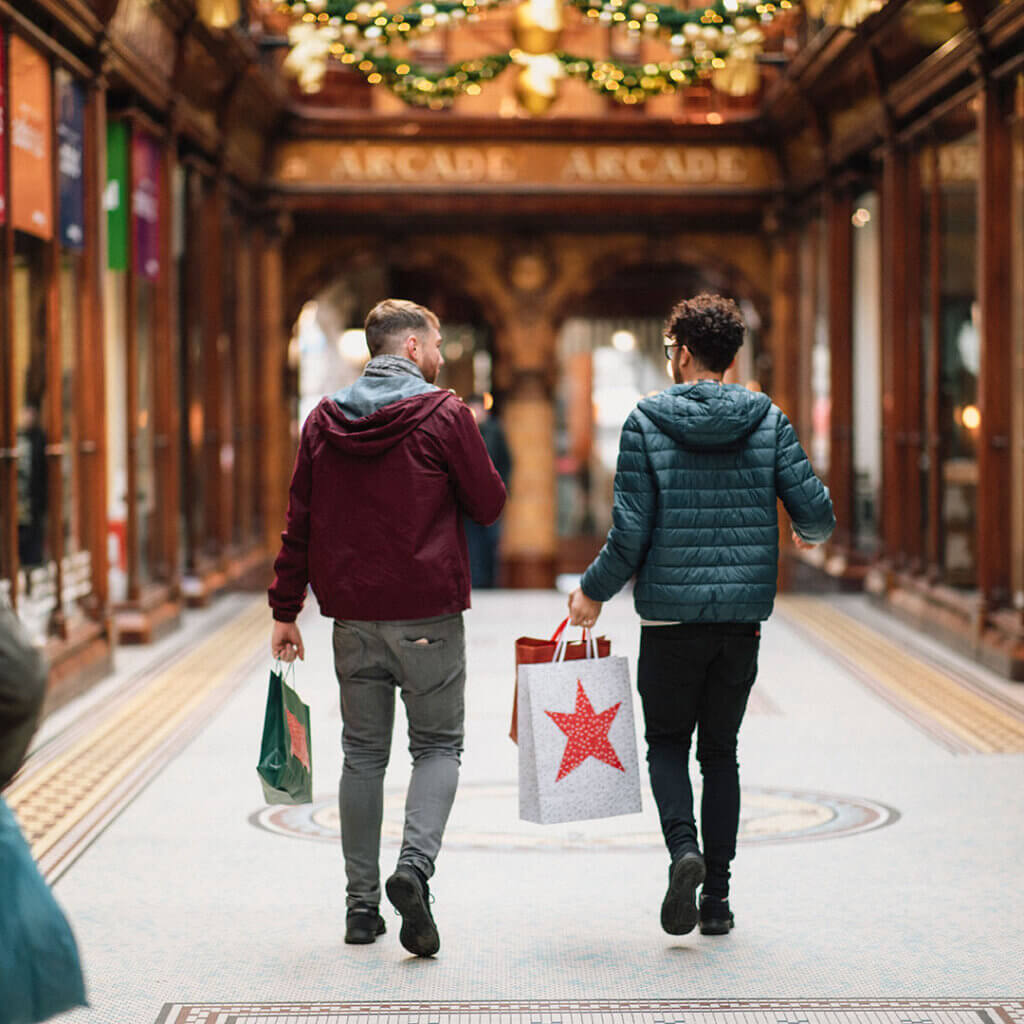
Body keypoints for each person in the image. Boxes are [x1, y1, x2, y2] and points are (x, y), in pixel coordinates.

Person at [568, 293, 835, 939]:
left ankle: (682, 850)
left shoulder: (644, 422)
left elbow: (629, 533)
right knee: (720, 753)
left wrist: (592, 593)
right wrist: (804, 528)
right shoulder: (767, 418)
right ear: (731, 356)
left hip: (668, 620)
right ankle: (716, 899)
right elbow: (819, 515)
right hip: (740, 619)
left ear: (682, 353)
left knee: (666, 743)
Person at [268, 299, 506, 957]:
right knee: (437, 748)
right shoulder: (444, 414)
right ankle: (415, 869)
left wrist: (286, 610)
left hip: (355, 620)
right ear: (408, 347)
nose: (438, 357)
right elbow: (488, 504)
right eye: (433, 345)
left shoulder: (324, 421)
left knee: (362, 756)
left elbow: (300, 521)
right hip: (427, 612)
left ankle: (360, 908)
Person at [464, 394, 512, 589]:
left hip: (491, 496)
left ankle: (491, 582)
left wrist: (503, 488)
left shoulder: (495, 430)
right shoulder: (462, 430)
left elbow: (506, 462)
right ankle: (475, 580)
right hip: (468, 498)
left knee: (491, 539)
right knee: (471, 541)